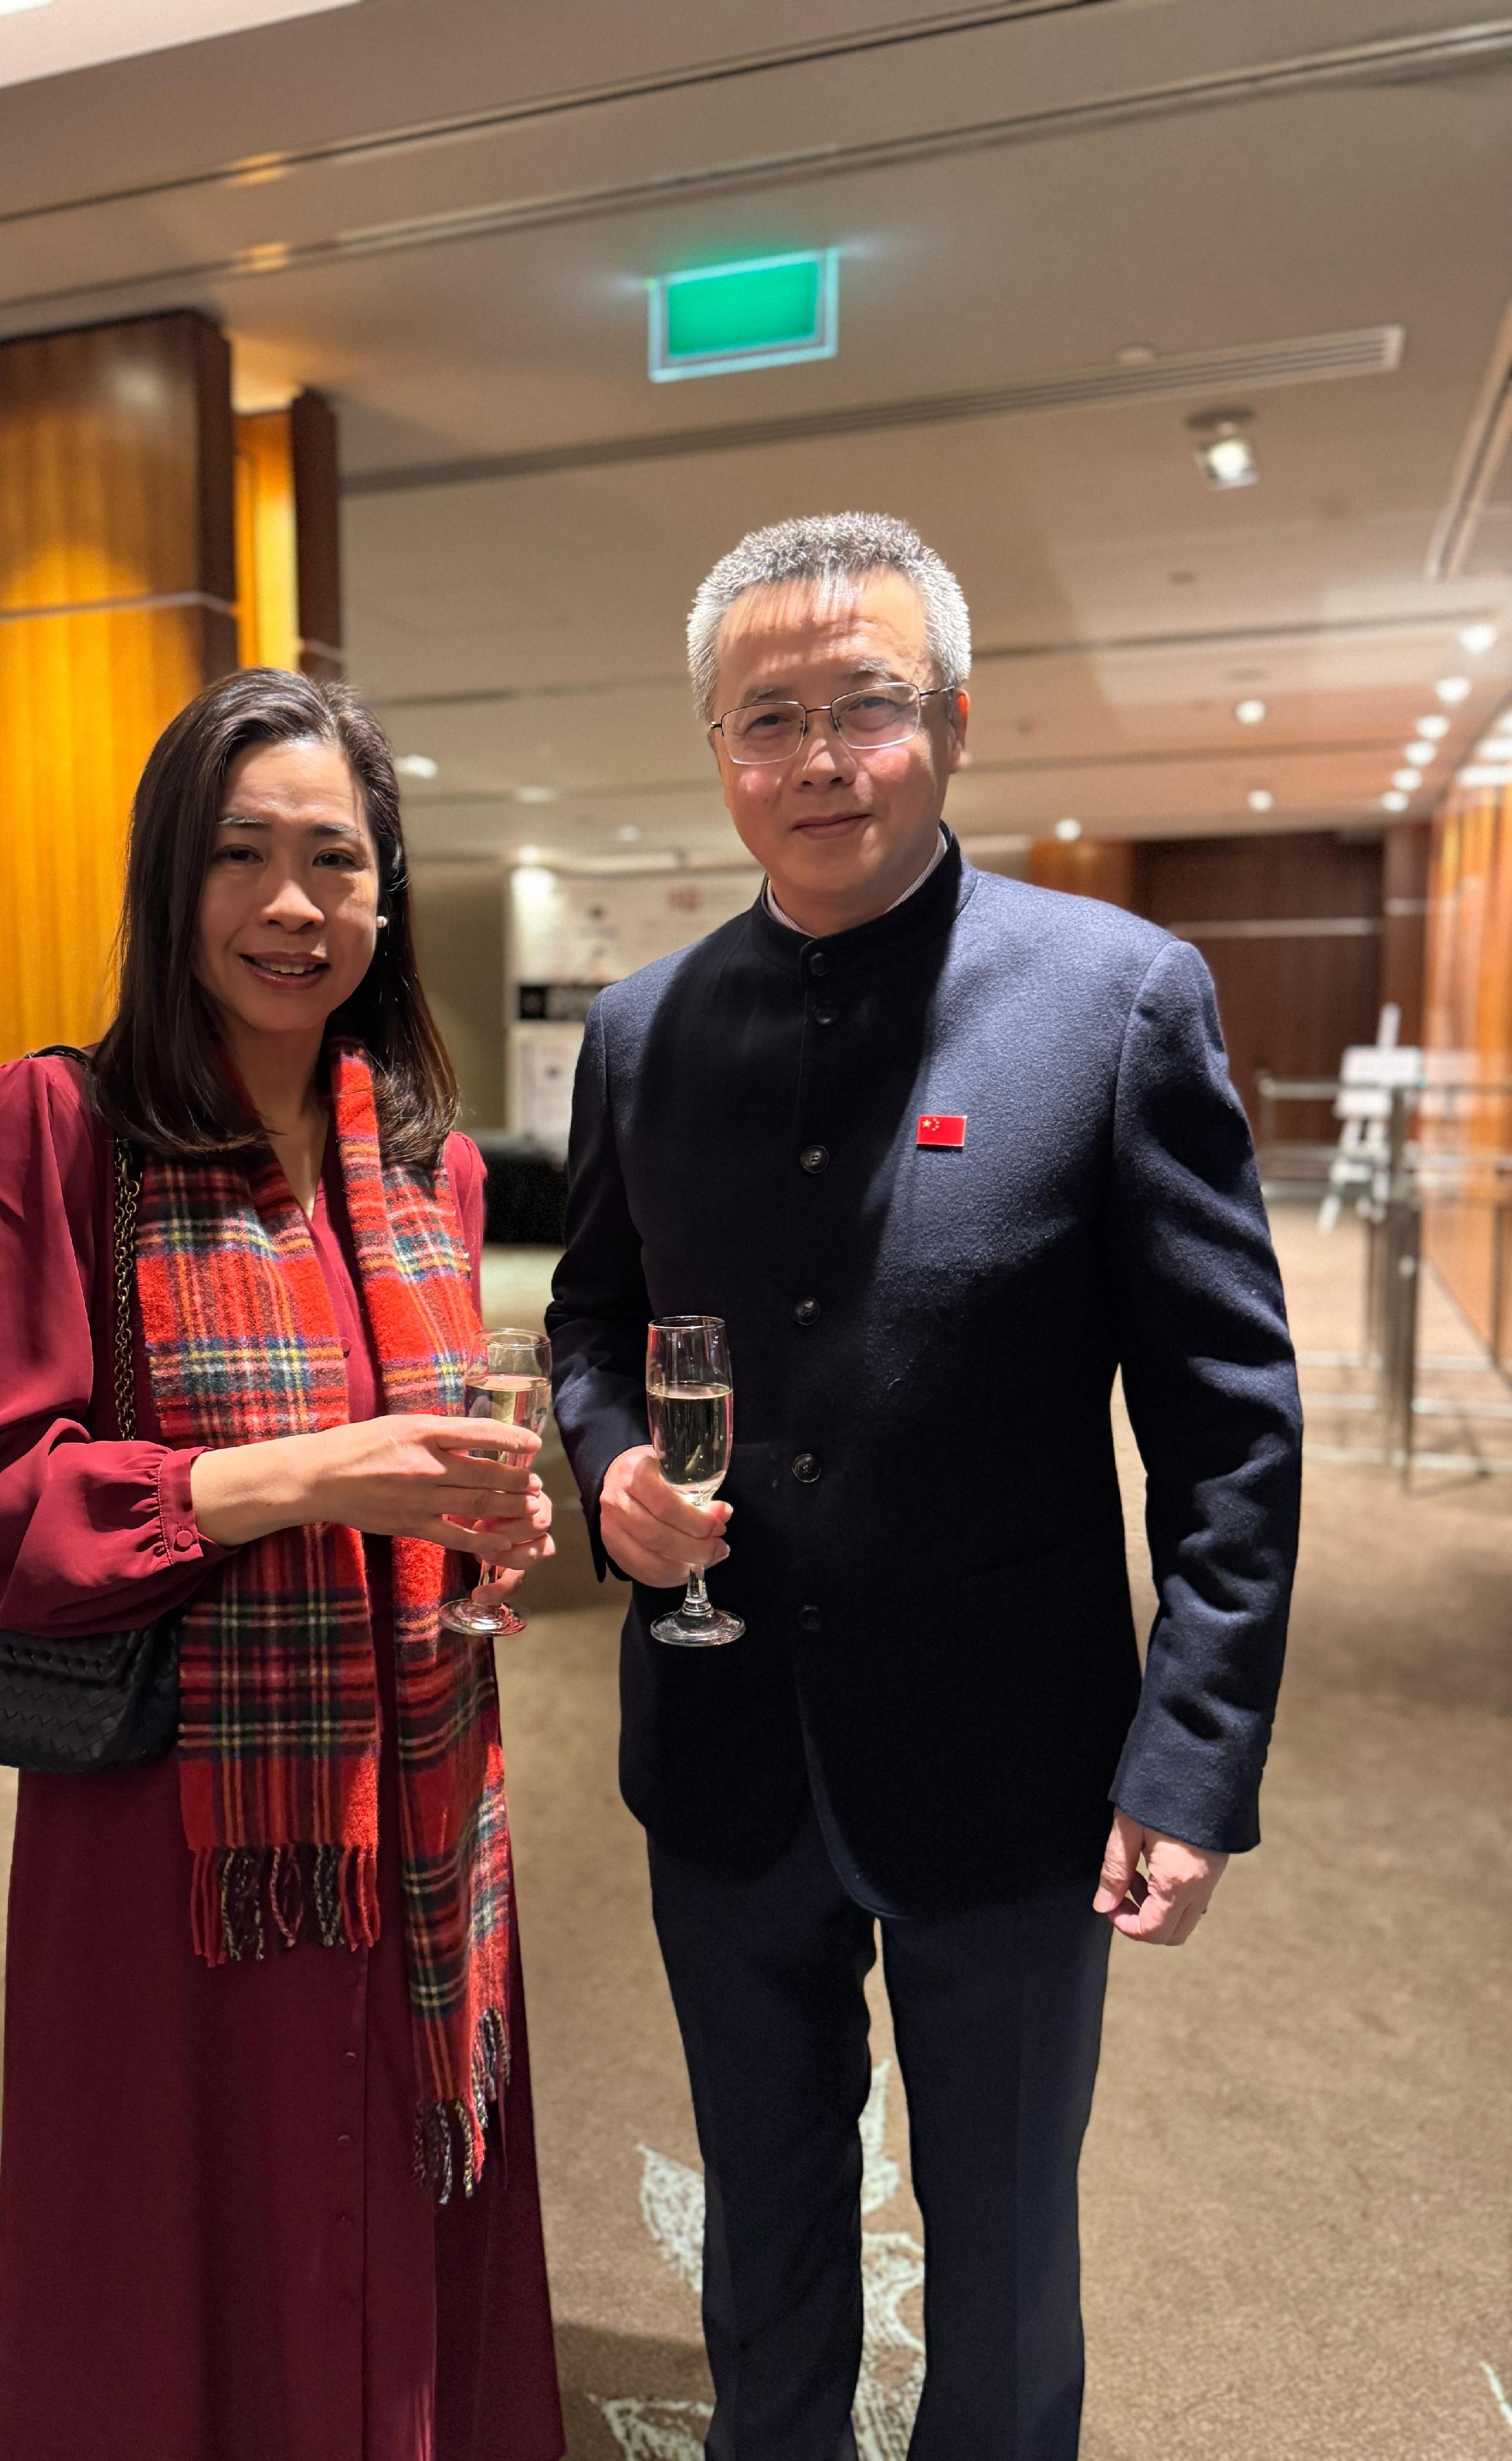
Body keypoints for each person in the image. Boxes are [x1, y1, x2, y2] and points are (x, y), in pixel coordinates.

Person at [547, 513, 1302, 2461]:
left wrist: (1192, 1754)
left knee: (1005, 2252)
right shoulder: (639, 1031)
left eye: (864, 706)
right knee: (762, 2223)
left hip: (1012, 1763)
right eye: (767, 717)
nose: (818, 758)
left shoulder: (1115, 999)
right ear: (718, 748)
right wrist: (611, 1466)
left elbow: (1227, 1418)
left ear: (952, 722)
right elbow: (590, 1325)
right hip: (720, 1744)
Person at [0, 668, 567, 2461]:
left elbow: (421, 1460)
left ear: (384, 892)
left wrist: (474, 1523)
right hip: (182, 1827)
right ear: (169, 879)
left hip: (419, 1789)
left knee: (404, 2194)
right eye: (240, 855)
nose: (292, 904)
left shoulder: (424, 1167)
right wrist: (304, 1477)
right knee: (177, 2244)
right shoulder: (57, 1129)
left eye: (334, 860)